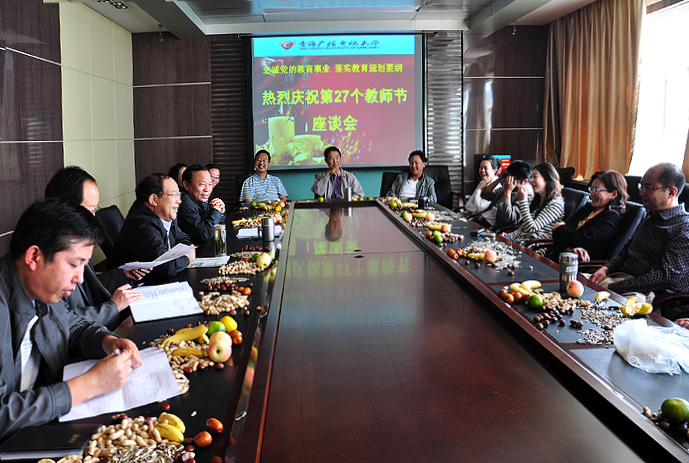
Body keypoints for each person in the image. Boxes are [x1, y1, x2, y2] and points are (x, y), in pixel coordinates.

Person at [0, 198, 142, 439]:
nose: (80, 278)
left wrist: (106, 340)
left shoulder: (42, 290)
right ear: (34, 257)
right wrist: (89, 386)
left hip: (39, 428)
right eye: (75, 265)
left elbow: (70, 325)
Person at [45, 166, 145, 329]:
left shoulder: (75, 243)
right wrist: (114, 306)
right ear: (68, 208)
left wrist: (121, 275)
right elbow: (62, 322)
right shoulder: (50, 256)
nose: (94, 218)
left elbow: (86, 290)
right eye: (90, 210)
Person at [590, 163, 689, 299]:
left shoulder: (683, 227)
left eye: (648, 188)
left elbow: (664, 277)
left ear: (671, 192)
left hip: (651, 293)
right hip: (622, 279)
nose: (641, 192)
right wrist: (606, 269)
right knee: (574, 283)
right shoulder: (650, 217)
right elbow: (626, 251)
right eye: (641, 186)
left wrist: (613, 288)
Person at [109, 174, 196, 284]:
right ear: (154, 199)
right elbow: (166, 267)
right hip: (131, 288)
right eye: (174, 195)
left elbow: (183, 238)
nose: (179, 200)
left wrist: (185, 250)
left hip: (156, 281)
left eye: (179, 195)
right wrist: (187, 257)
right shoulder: (143, 225)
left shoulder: (165, 215)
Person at [548, 170, 627, 262]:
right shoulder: (588, 208)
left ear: (614, 194)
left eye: (596, 190)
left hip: (583, 264)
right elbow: (563, 232)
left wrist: (559, 228)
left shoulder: (612, 217)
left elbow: (582, 240)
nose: (592, 194)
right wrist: (568, 249)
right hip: (564, 256)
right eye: (591, 189)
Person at [508, 163, 564, 244]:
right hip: (522, 242)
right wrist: (510, 236)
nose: (531, 181)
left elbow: (532, 228)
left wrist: (523, 200)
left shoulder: (556, 204)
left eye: (535, 176)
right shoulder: (538, 200)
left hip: (535, 246)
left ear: (547, 178)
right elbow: (524, 227)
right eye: (531, 177)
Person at [469, 160, 534, 229]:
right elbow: (485, 195)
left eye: (512, 179)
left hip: (494, 228)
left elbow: (508, 218)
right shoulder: (506, 186)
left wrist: (507, 192)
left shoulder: (526, 196)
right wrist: (499, 179)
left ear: (525, 181)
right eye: (508, 177)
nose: (509, 182)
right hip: (483, 219)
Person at [177, 164, 225, 244]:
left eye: (210, 184)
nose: (207, 189)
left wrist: (221, 212)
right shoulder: (184, 202)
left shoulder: (199, 198)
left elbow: (217, 230)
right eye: (202, 184)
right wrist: (216, 211)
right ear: (186, 185)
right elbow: (206, 234)